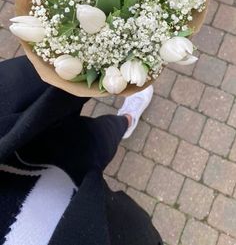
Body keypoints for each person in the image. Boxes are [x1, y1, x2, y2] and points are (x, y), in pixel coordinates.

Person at [0, 56, 163, 245]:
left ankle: (122, 122)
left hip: (15, 149)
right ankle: (127, 120)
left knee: (89, 132)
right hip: (77, 224)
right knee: (96, 146)